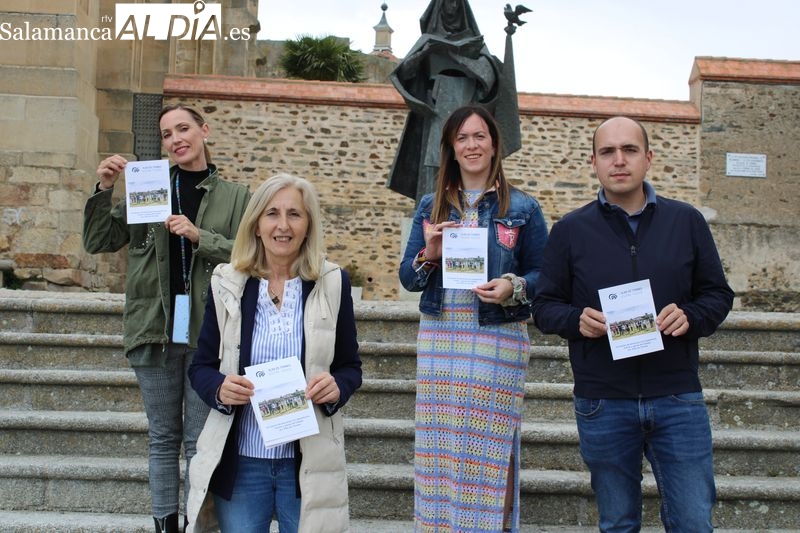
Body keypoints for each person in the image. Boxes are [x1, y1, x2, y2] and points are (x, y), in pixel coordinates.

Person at [531, 116, 735, 532]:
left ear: (648, 158)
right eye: (607, 151)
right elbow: (544, 305)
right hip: (603, 400)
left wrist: (690, 315)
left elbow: (717, 294)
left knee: (694, 523)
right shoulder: (570, 230)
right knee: (618, 524)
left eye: (629, 150)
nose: (619, 160)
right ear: (594, 162)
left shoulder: (686, 221)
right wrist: (576, 320)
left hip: (677, 396)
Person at [82, 104, 251, 533]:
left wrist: (199, 236)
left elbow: (252, 255)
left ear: (204, 131)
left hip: (209, 332)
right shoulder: (149, 185)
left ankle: (196, 524)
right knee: (162, 438)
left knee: (199, 441)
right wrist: (104, 187)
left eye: (183, 129)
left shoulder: (236, 197)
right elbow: (99, 240)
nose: (176, 139)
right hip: (153, 328)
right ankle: (164, 526)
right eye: (167, 134)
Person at [399, 104, 548, 532]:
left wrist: (512, 286)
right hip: (441, 335)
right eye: (462, 138)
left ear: (495, 144)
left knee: (490, 446)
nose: (471, 145)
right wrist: (429, 255)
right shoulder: (431, 206)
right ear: (451, 147)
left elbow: (547, 274)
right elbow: (408, 277)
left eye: (479, 136)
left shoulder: (523, 207)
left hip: (496, 338)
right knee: (441, 446)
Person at [186, 173, 362, 533]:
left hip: (307, 462)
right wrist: (219, 388)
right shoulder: (228, 282)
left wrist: (337, 387)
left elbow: (349, 366)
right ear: (256, 224)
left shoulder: (332, 283)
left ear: (308, 224)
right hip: (243, 463)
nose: (283, 225)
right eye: (272, 214)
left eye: (294, 214)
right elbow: (201, 366)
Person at [388, 0, 523, 202]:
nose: (451, 9)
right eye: (447, 4)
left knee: (470, 161)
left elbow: (488, 77)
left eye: (455, 4)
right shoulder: (428, 41)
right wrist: (426, 51)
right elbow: (404, 73)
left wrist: (456, 54)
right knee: (434, 167)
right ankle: (431, 211)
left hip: (467, 108)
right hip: (435, 113)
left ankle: (469, 207)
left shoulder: (474, 43)